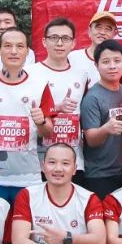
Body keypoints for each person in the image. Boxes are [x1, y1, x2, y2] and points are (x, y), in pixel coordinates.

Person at [0, 28, 55, 205]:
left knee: (25, 223)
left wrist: (41, 122)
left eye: (20, 46)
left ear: (27, 52)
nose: (14, 51)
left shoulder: (40, 85)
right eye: (8, 46)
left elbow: (48, 132)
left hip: (28, 177)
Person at [36, 17, 94, 169]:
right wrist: (56, 108)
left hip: (74, 162)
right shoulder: (30, 73)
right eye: (54, 38)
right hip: (39, 160)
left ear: (73, 43)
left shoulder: (82, 75)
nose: (60, 43)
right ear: (44, 41)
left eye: (65, 38)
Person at [79, 39, 122, 198]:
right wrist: (106, 129)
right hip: (100, 174)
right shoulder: (92, 97)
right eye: (106, 62)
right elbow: (91, 140)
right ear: (96, 65)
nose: (112, 66)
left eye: (117, 61)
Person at [69, 11, 120, 86]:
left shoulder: (116, 61)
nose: (102, 32)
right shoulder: (73, 57)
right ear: (89, 31)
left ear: (114, 34)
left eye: (107, 29)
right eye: (98, 27)